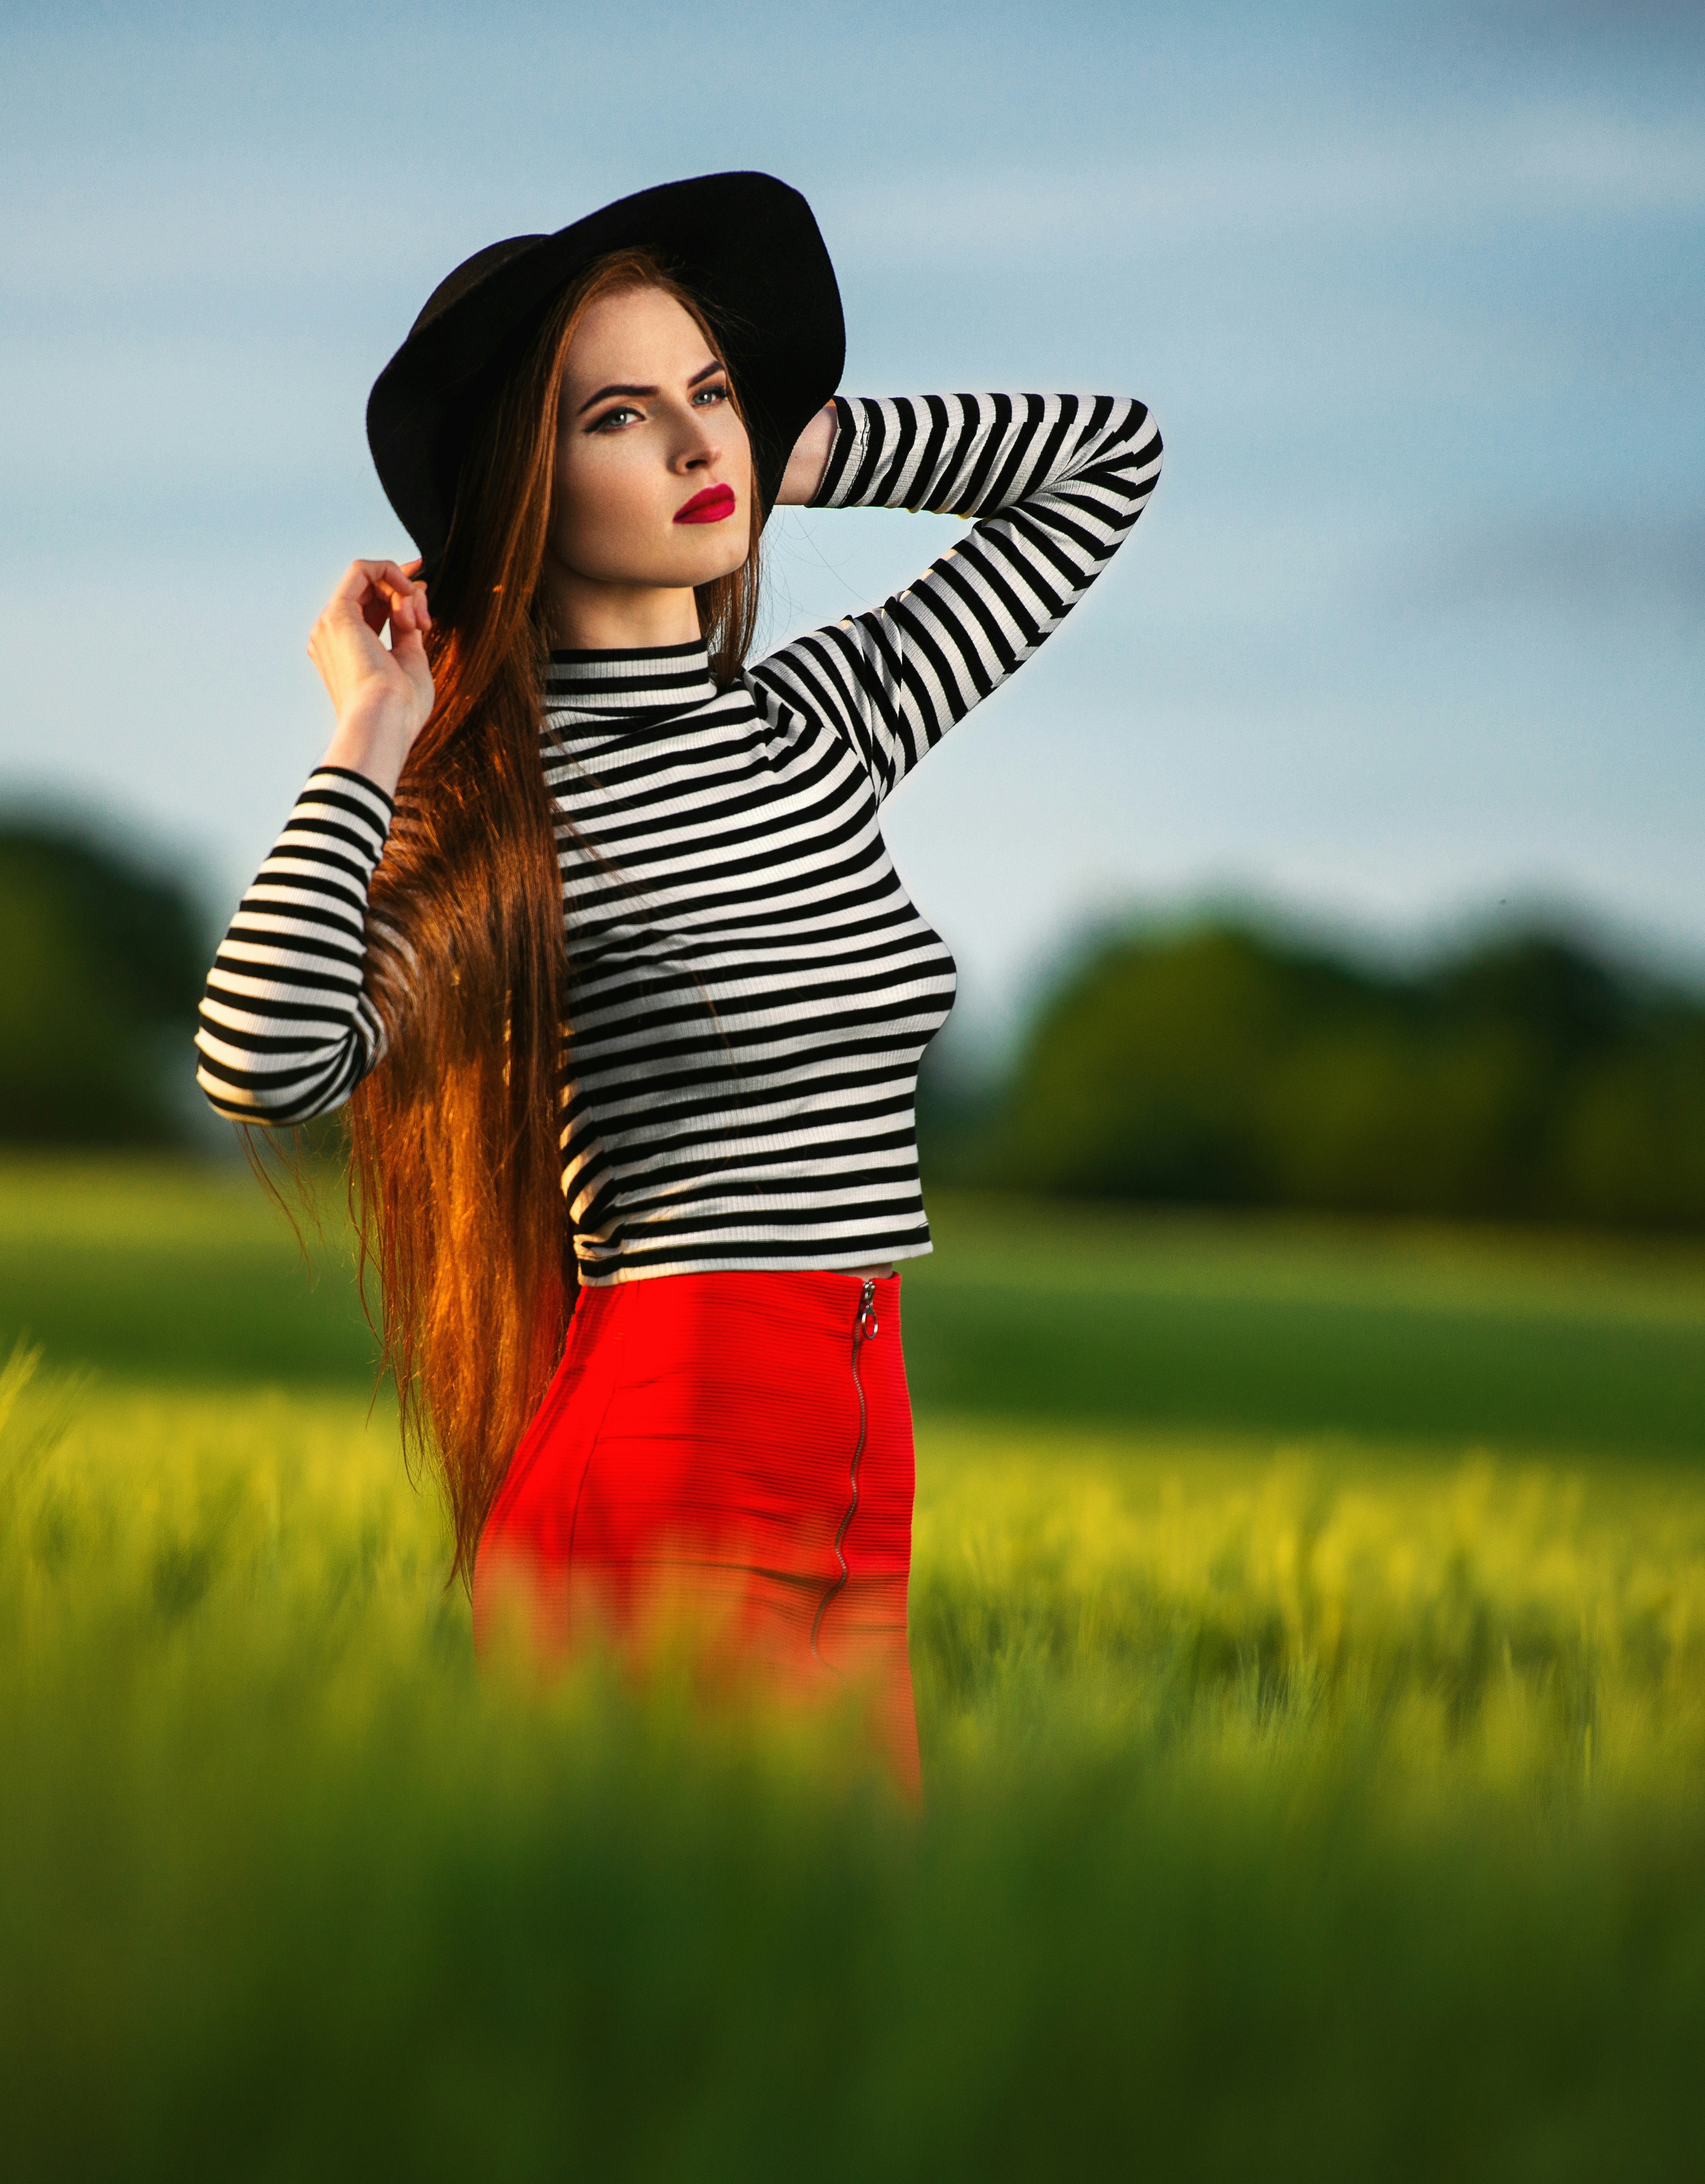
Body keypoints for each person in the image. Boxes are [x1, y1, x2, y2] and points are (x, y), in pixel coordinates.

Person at [196, 173, 1159, 1796]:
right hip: (666, 1477)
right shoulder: (512, 817)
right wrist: (370, 729)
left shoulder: (819, 728)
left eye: (709, 394)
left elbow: (1107, 458)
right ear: (524, 481)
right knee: (707, 1946)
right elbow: (265, 1060)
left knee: (865, 1942)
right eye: (620, 419)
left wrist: (796, 443)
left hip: (862, 1466)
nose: (694, 448)